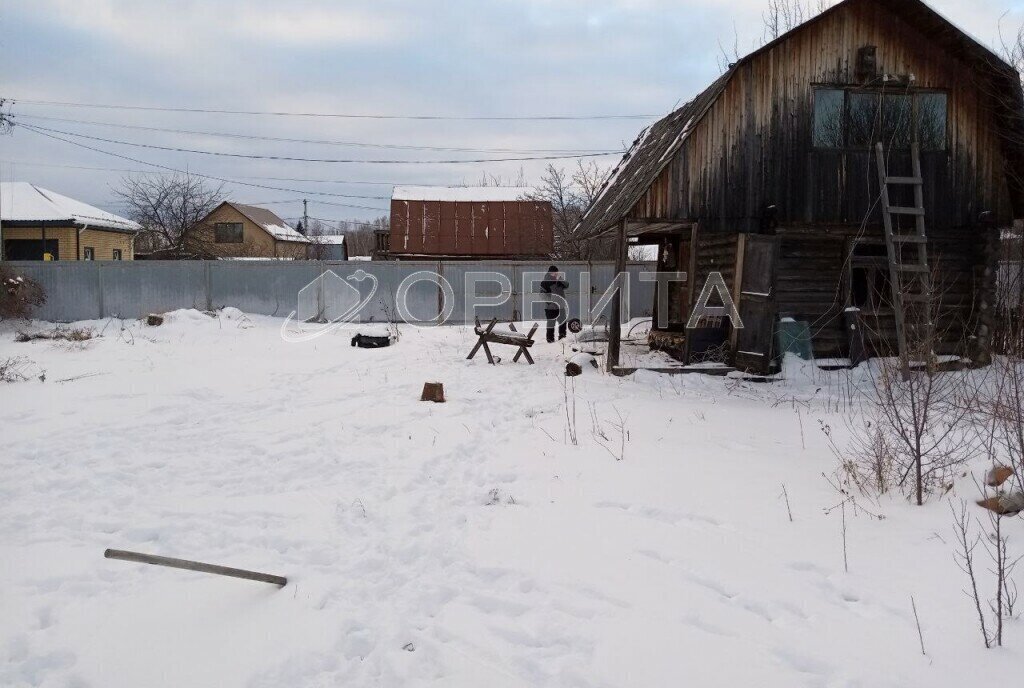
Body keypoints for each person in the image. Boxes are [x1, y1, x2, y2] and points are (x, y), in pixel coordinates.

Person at [540, 265, 569, 342]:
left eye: (556, 272)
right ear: (550, 272)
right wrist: (550, 302)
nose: (556, 273)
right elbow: (542, 294)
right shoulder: (545, 282)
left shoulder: (558, 281)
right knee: (551, 323)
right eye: (554, 272)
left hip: (560, 306)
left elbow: (567, 285)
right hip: (550, 307)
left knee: (562, 322)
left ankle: (562, 337)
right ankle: (550, 339)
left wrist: (560, 279)